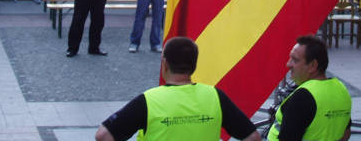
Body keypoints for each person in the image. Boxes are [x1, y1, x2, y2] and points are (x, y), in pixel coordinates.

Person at [96, 36, 260, 141]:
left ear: (165, 64)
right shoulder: (215, 96)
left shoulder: (148, 101)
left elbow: (103, 136)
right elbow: (253, 137)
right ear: (194, 65)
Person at [268, 35, 352, 141]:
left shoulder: (302, 97)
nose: (288, 64)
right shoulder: (341, 90)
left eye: (295, 60)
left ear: (312, 66)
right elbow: (346, 134)